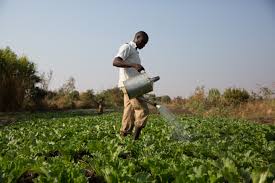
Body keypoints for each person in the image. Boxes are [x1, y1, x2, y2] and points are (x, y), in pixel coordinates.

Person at [112, 31, 149, 140]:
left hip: (132, 84)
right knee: (142, 110)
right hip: (130, 85)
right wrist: (134, 65)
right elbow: (115, 61)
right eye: (143, 42)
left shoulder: (135, 52)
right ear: (137, 37)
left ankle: (123, 138)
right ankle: (135, 141)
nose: (144, 45)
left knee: (129, 112)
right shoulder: (127, 47)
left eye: (146, 44)